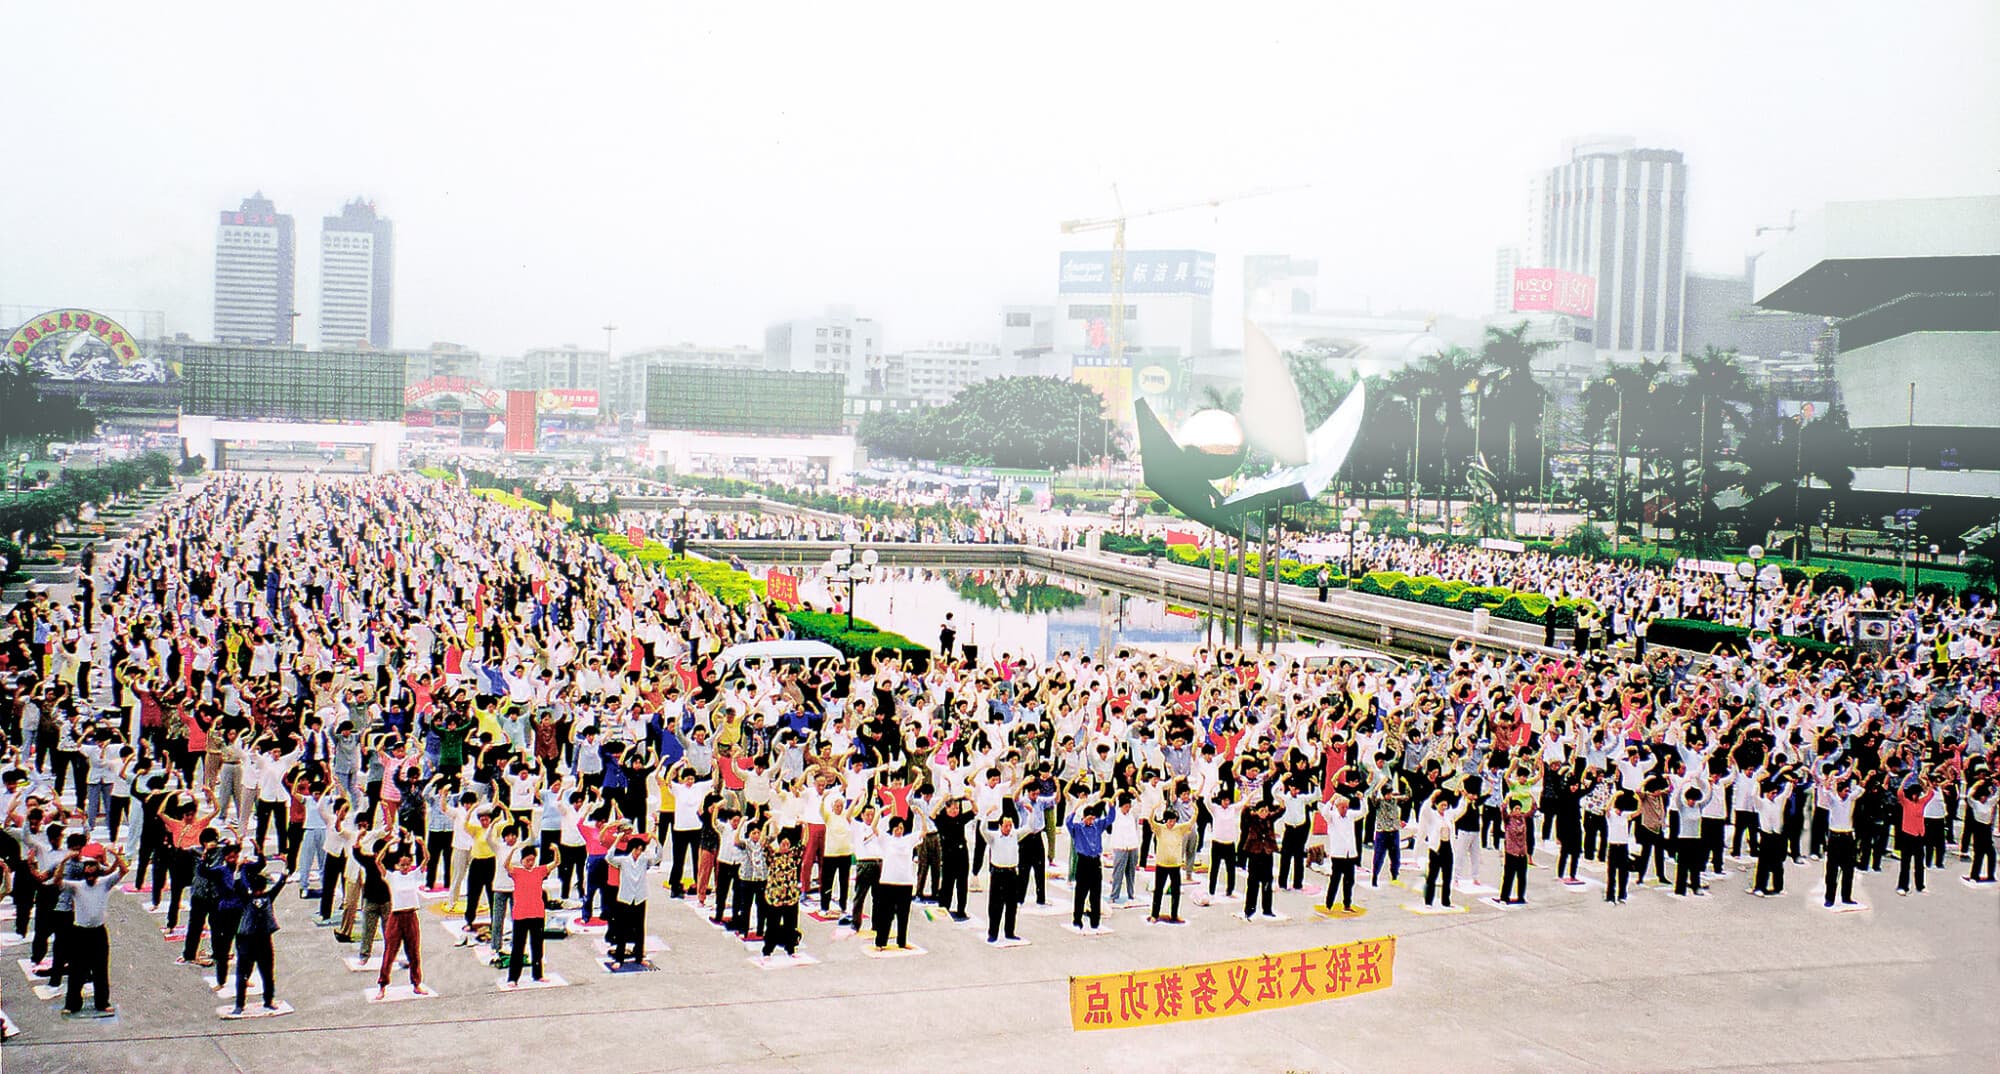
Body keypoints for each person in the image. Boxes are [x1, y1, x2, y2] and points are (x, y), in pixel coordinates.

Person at [60, 844, 124, 1018]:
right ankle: (72, 1003)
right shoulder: (77, 886)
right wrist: (64, 860)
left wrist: (115, 855)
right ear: (84, 874)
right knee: (76, 970)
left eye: (93, 874)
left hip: (98, 932)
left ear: (97, 874)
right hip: (80, 932)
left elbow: (123, 871)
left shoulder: (103, 883)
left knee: (100, 969)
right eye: (87, 874)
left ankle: (102, 1002)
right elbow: (58, 881)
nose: (90, 877)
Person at [376, 844, 433, 999]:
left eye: (408, 864)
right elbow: (378, 862)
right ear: (397, 865)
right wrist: (387, 845)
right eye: (402, 865)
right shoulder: (392, 876)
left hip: (411, 916)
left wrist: (422, 845)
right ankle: (382, 985)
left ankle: (416, 983)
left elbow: (427, 859)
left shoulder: (414, 875)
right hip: (396, 917)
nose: (405, 867)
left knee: (414, 951)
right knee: (390, 952)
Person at [230, 864, 288, 1015]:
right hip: (262, 940)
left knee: (243, 974)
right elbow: (279, 885)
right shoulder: (267, 897)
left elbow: (241, 883)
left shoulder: (247, 897)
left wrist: (240, 870)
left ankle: (239, 1005)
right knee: (267, 973)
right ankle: (268, 1001)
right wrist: (285, 871)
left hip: (247, 940)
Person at [504, 847, 554, 988]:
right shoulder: (517, 872)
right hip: (521, 914)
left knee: (537, 946)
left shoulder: (539, 871)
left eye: (532, 860)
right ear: (522, 860)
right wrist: (512, 851)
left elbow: (556, 863)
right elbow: (506, 865)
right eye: (527, 860)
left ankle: (538, 974)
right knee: (518, 947)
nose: (530, 863)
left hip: (537, 913)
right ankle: (513, 977)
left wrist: (556, 850)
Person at [1063, 796, 1112, 931]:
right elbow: (1068, 822)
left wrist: (1111, 806)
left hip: (1095, 861)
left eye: (1093, 818)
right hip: (1083, 861)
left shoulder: (1097, 825)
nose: (1091, 821)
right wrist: (1075, 809)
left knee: (1096, 892)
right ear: (1084, 818)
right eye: (1089, 818)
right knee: (1081, 892)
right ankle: (1077, 918)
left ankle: (1095, 921)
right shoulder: (1078, 828)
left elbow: (1110, 819)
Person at [872, 814, 918, 950]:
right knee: (886, 914)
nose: (899, 830)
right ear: (892, 829)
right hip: (888, 881)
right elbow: (874, 827)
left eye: (901, 828)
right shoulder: (886, 839)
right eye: (897, 828)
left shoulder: (908, 840)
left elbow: (923, 832)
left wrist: (920, 814)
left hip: (905, 882)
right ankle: (881, 942)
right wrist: (881, 810)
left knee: (903, 915)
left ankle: (902, 941)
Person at [760, 829, 803, 959]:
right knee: (772, 925)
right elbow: (763, 843)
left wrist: (805, 825)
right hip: (776, 896)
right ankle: (767, 950)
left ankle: (791, 948)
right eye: (783, 844)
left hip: (790, 896)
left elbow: (804, 843)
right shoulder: (773, 856)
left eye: (787, 844)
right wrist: (769, 826)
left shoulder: (793, 855)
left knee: (791, 924)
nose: (785, 846)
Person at [983, 814, 1023, 942]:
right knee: (995, 905)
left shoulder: (1015, 835)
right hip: (998, 873)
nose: (1008, 828)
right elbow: (983, 830)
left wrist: (1031, 813)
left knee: (1011, 905)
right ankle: (993, 933)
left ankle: (1009, 932)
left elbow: (1030, 827)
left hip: (1011, 872)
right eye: (1006, 825)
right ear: (1000, 825)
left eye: (1010, 825)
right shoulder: (994, 836)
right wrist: (986, 815)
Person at [1319, 795, 1362, 913]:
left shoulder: (1350, 815)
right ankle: (1329, 904)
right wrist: (1331, 800)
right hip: (1338, 854)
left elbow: (1363, 812)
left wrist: (1362, 800)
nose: (1345, 809)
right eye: (1342, 807)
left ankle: (1347, 904)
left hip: (1349, 853)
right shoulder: (1332, 816)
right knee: (1335, 880)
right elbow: (1324, 812)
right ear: (1337, 807)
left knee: (1349, 880)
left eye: (1346, 807)